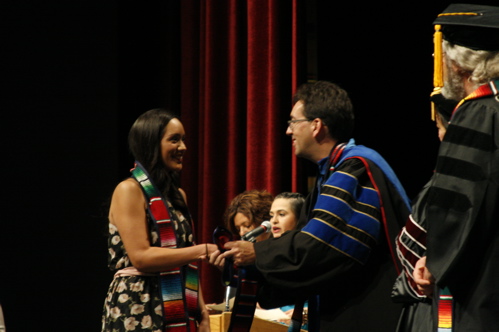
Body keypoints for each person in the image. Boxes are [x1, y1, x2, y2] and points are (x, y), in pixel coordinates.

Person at [216, 81, 411, 331]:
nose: (288, 131)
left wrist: (258, 254)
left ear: (316, 125)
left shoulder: (354, 169)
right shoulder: (329, 175)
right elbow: (305, 261)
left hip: (371, 314)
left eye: (293, 122)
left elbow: (321, 249)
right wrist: (245, 268)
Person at [412, 4, 499, 331]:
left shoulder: (478, 112)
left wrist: (436, 262)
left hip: (482, 287)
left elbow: (460, 206)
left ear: (456, 63)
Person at [101, 108, 218, 332]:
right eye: (174, 140)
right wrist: (203, 250)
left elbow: (185, 253)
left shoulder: (178, 195)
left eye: (183, 140)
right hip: (138, 302)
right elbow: (141, 257)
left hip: (178, 299)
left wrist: (201, 310)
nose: (183, 147)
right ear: (151, 144)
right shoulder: (129, 190)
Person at [392, 94, 456, 332]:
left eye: (440, 127)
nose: (439, 136)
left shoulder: (452, 181)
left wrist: (433, 265)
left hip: (440, 301)